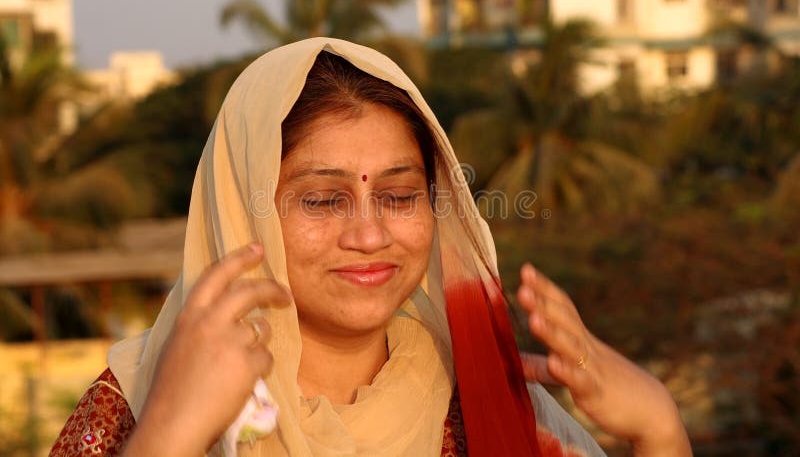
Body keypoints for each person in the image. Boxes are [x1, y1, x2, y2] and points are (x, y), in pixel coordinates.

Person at [51, 38, 691, 456]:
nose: (369, 235)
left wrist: (659, 429)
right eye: (323, 199)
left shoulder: (488, 401)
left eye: (401, 195)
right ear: (243, 214)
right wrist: (169, 436)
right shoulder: (140, 402)